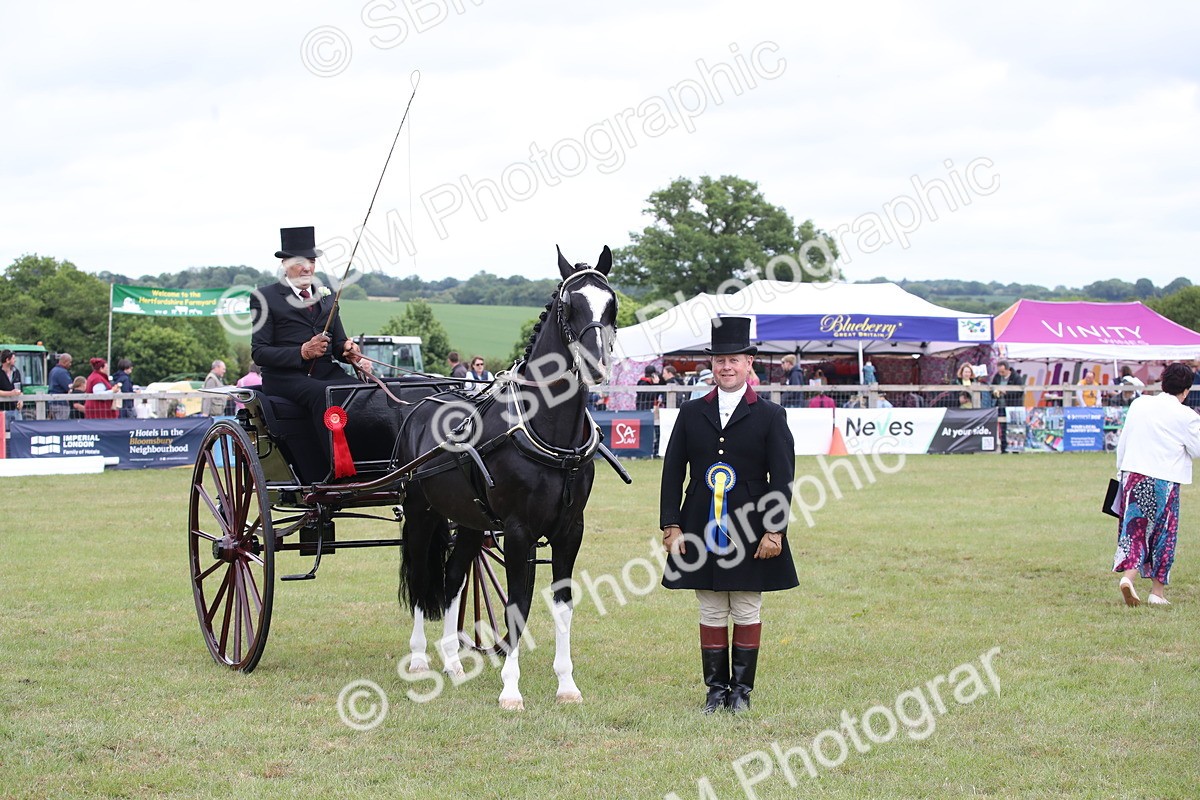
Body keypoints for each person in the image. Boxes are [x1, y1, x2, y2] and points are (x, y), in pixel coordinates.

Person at [660, 316, 797, 714]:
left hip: (751, 526)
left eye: (734, 359)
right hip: (700, 520)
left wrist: (775, 531)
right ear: (712, 365)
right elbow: (672, 471)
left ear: (749, 363)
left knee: (746, 606)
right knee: (711, 606)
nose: (726, 367)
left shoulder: (771, 415)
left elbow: (783, 478)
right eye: (719, 360)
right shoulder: (690, 413)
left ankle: (741, 692)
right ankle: (715, 689)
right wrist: (671, 524)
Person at [250, 226, 371, 465]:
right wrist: (301, 352)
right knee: (324, 394)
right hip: (285, 378)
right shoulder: (265, 297)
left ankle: (370, 460)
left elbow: (338, 344)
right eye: (300, 261)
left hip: (326, 372)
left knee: (365, 393)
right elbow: (259, 352)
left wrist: (349, 350)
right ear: (284, 263)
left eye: (312, 261)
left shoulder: (327, 297)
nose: (307, 267)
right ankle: (337, 467)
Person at [1112, 362, 1200, 606]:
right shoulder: (1186, 416)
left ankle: (1128, 578)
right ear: (1186, 390)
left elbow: (1124, 440)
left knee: (1134, 530)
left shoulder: (1140, 404)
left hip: (1133, 474)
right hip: (1164, 480)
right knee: (1164, 534)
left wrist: (1121, 473)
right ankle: (1157, 592)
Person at [990, 360, 1023, 453]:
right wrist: (994, 393)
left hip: (1013, 406)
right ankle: (1004, 449)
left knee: (1014, 428)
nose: (1000, 374)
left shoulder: (1016, 377)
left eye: (1002, 372)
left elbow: (1020, 392)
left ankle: (1016, 449)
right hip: (1000, 406)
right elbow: (991, 389)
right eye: (999, 371)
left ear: (1008, 370)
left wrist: (1006, 392)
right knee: (1002, 428)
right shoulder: (997, 377)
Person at [0, 349, 24, 424]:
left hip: (16, 410)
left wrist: (21, 400)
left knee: (18, 433)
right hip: (2, 410)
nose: (15, 360)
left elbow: (21, 390)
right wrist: (11, 393)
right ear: (7, 360)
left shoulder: (16, 372)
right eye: (13, 358)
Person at [48, 352, 73, 420]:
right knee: (62, 425)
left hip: (52, 402)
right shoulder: (62, 372)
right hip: (61, 403)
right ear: (65, 362)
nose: (70, 364)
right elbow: (69, 387)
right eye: (69, 362)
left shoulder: (53, 370)